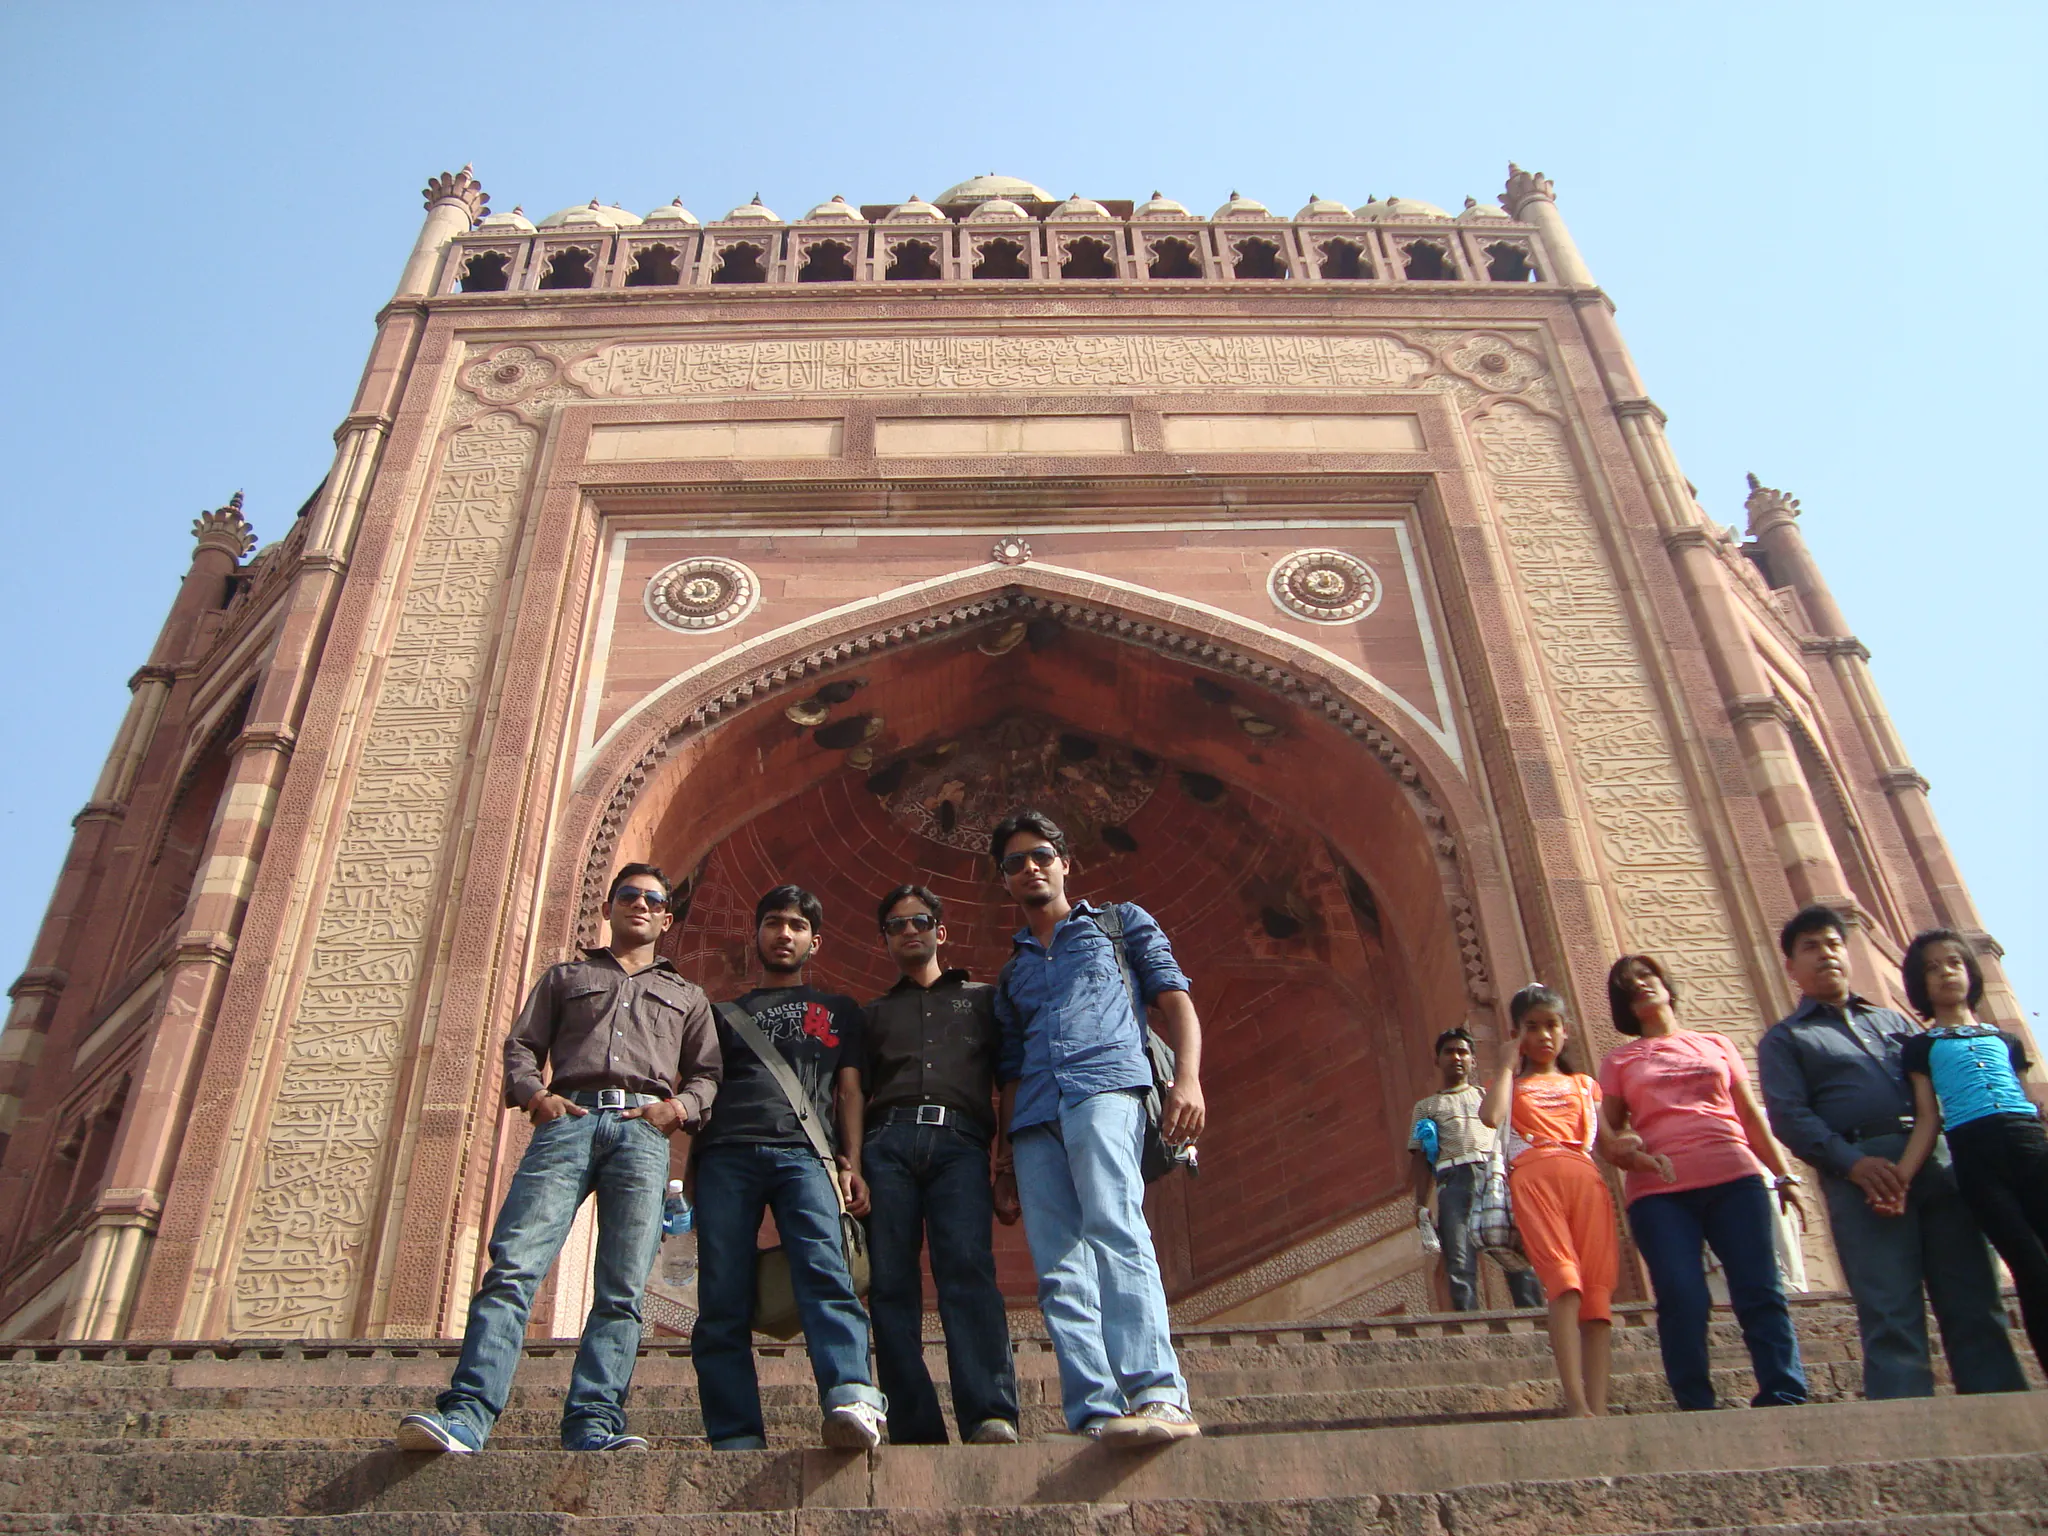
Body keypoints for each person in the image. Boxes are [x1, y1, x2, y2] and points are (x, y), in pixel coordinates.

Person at [397, 864, 720, 1454]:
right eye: (630, 896)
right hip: (568, 1124)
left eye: (653, 899)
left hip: (642, 1133)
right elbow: (521, 1044)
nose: (641, 906)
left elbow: (708, 1074)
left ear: (668, 920)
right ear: (610, 907)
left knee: (622, 1289)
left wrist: (678, 1111)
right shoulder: (565, 975)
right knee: (515, 1266)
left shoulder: (687, 996)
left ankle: (593, 1425)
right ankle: (468, 1413)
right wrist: (534, 1095)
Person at [991, 809, 1204, 1444]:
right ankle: (1095, 1411)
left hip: (1106, 1085)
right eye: (1014, 863)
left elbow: (1175, 1001)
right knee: (1058, 1267)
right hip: (1033, 1116)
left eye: (1040, 856)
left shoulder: (1118, 924)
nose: (1030, 867)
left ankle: (1158, 1392)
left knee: (1115, 1225)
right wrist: (1002, 1157)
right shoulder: (1014, 970)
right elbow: (1007, 1070)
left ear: (1063, 864)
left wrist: (1188, 1080)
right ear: (1005, 881)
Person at [1757, 905, 2025, 1399]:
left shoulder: (1896, 1024)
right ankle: (1910, 1427)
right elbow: (1790, 1116)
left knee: (1974, 1298)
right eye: (1811, 947)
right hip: (1863, 1177)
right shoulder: (1787, 1038)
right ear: (1790, 967)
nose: (1827, 954)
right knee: (1890, 1310)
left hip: (1937, 1164)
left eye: (1834, 944)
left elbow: (1941, 1091)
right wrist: (1853, 1164)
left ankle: (2001, 1409)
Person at [690, 886, 889, 1450]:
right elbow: (701, 1087)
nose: (784, 934)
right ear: (756, 935)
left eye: (797, 926)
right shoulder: (721, 1013)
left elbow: (850, 1091)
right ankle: (734, 1432)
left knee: (826, 1274)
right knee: (722, 1292)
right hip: (727, 1154)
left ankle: (850, 1394)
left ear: (814, 941)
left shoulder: (839, 1009)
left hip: (806, 1155)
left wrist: (851, 1163)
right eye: (774, 923)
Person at [1598, 954, 1809, 1411]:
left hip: (1734, 1176)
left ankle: (1784, 1391)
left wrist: (1784, 1174)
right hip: (1660, 1193)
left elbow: (1750, 1114)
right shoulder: (1619, 1060)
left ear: (1667, 984)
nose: (1642, 987)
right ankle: (1695, 1401)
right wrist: (1626, 1151)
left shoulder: (1715, 1044)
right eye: (1629, 986)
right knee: (1680, 1295)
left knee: (1760, 1288)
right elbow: (1607, 1137)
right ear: (1625, 1006)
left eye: (1647, 977)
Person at [859, 883, 1022, 1445]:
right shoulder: (873, 1014)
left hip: (960, 1143)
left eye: (920, 921)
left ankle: (989, 1413)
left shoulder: (982, 1000)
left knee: (968, 1272)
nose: (910, 931)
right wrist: (851, 1162)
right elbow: (852, 1092)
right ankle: (915, 1422)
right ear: (884, 940)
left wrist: (1007, 1161)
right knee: (891, 1284)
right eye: (897, 925)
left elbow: (1011, 1078)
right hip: (888, 1143)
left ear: (940, 932)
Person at [1481, 983, 1655, 1418]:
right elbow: (1491, 1117)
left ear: (1566, 1031)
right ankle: (1575, 1402)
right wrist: (1505, 1065)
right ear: (1516, 1033)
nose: (1543, 1035)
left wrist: (1644, 1157)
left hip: (1587, 1183)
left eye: (1552, 1026)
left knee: (1597, 1299)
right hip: (1535, 1180)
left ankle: (1598, 1405)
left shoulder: (1583, 1085)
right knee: (1564, 1284)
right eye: (1532, 1027)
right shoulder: (1511, 1084)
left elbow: (1609, 1146)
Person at [1893, 928, 2048, 1374]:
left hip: (2029, 1147)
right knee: (2031, 1268)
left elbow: (2025, 1101)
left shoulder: (2005, 1040)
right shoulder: (1920, 1047)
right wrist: (1901, 1177)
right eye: (1931, 967)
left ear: (1970, 971)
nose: (1944, 973)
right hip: (1977, 1158)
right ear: (1919, 982)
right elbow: (1928, 1118)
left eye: (1953, 963)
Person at [1408, 1027, 1546, 1311]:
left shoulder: (1487, 1096)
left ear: (1473, 1060)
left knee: (1515, 1253)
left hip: (1493, 1175)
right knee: (1459, 1261)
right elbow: (1420, 1158)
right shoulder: (1426, 1107)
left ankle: (1536, 1320)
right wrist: (1421, 1204)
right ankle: (1469, 1329)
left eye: (1463, 1052)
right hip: (1452, 1181)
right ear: (1438, 1060)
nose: (1456, 1057)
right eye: (1449, 1052)